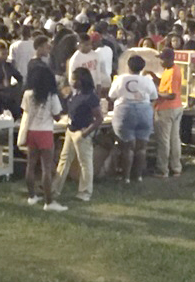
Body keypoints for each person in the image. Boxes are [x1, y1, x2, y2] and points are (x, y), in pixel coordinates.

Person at [52, 67, 103, 202]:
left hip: (82, 131)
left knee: (85, 163)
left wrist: (86, 133)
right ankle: (55, 189)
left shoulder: (91, 97)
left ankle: (85, 192)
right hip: (70, 129)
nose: (72, 81)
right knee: (64, 160)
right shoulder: (75, 94)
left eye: (74, 79)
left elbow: (99, 118)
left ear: (81, 81)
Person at [21, 67, 68, 212]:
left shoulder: (28, 94)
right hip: (45, 131)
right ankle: (49, 202)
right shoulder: (51, 96)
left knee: (31, 164)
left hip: (31, 131)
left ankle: (31, 196)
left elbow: (26, 111)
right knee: (46, 168)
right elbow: (57, 115)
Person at [108, 55, 158, 183]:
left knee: (127, 147)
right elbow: (154, 96)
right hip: (144, 110)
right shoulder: (147, 80)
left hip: (125, 111)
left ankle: (126, 177)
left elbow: (111, 95)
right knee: (141, 147)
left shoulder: (121, 79)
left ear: (128, 66)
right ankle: (139, 175)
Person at [148, 48, 183, 178]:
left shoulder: (173, 72)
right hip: (176, 107)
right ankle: (176, 168)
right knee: (174, 140)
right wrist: (154, 77)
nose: (161, 62)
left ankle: (162, 170)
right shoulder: (171, 70)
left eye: (162, 59)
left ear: (169, 59)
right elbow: (164, 84)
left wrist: (156, 94)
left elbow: (171, 95)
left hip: (167, 108)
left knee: (164, 141)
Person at [0, 40, 23, 118]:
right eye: (3, 54)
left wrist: (16, 88)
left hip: (9, 94)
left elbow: (19, 78)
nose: (5, 56)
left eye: (6, 54)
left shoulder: (9, 66)